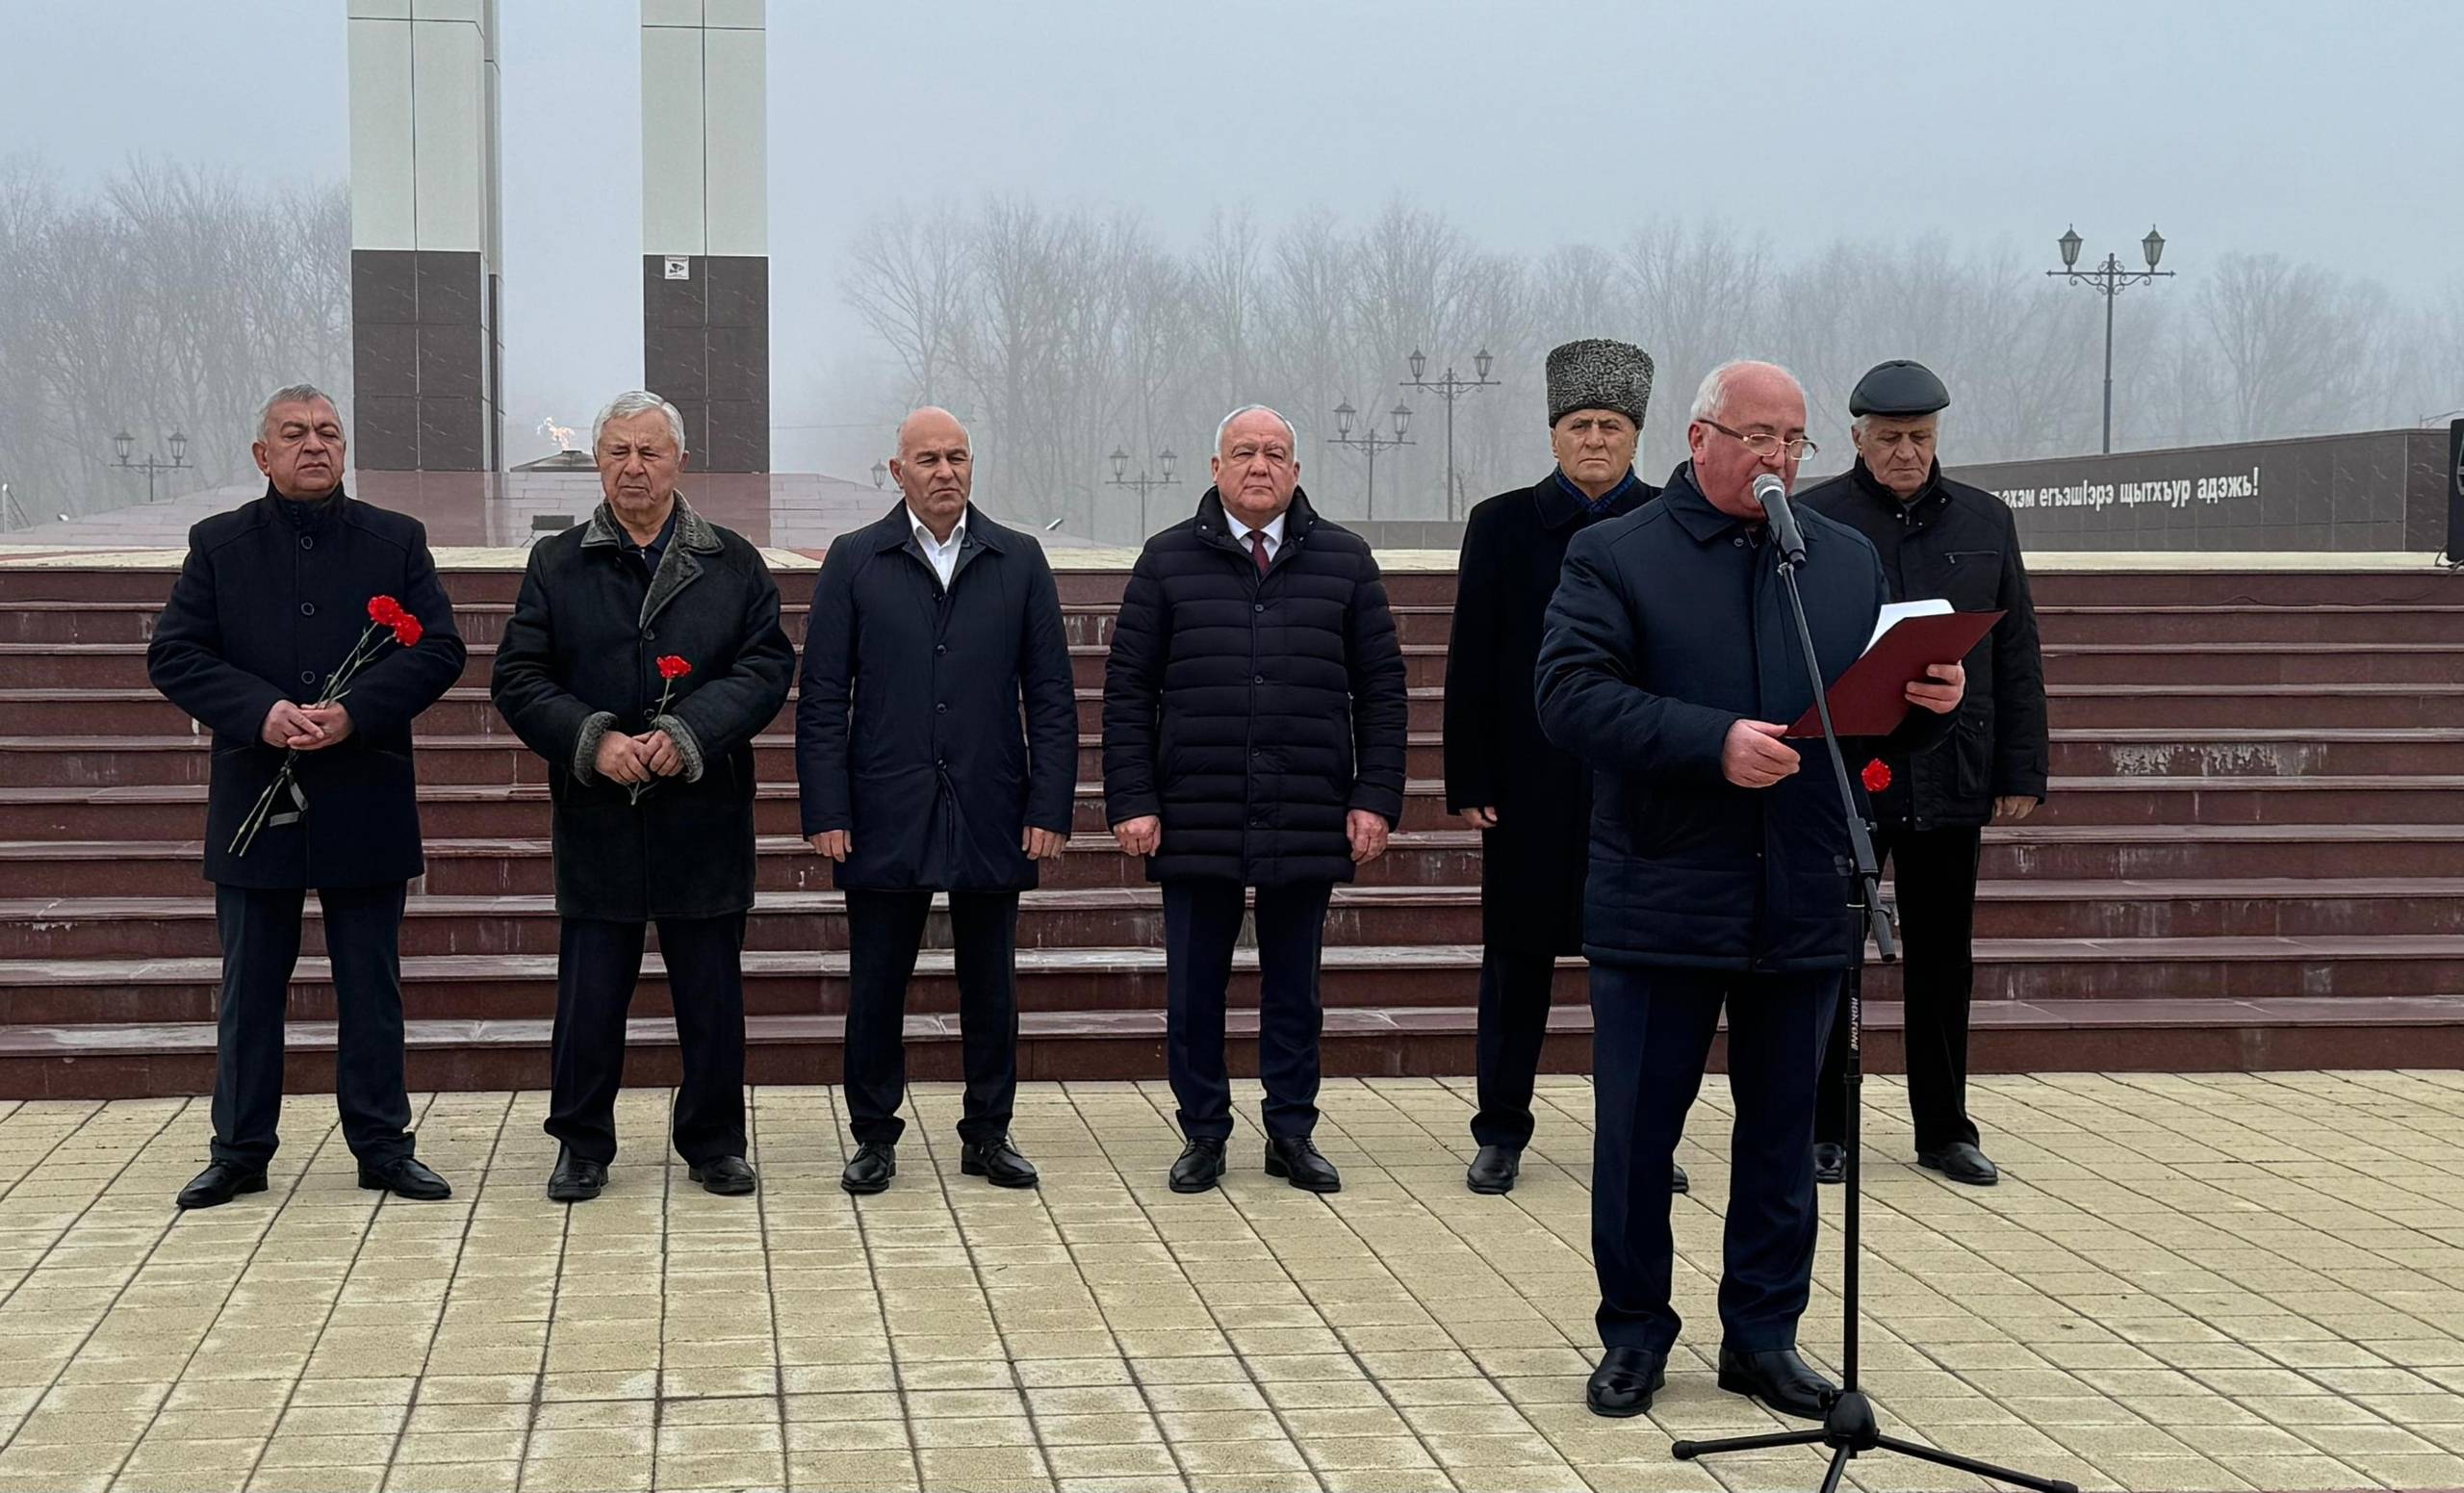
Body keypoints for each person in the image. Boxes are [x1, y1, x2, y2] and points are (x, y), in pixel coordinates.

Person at [1535, 360, 1966, 1420]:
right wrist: (1707, 743)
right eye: (1757, 436)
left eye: (1793, 441)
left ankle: (1762, 1339)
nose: (1777, 459)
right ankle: (1634, 1335)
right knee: (1639, 1137)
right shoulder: (1613, 554)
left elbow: (1856, 728)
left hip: (1804, 892)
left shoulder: (1840, 559)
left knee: (1782, 1141)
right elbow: (1569, 698)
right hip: (1661, 891)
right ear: (1699, 438)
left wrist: (1926, 705)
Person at [147, 383, 465, 1209]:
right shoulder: (217, 546)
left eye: (327, 431)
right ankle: (240, 1150)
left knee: (371, 981)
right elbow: (175, 655)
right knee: (251, 983)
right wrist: (263, 712)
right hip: (257, 797)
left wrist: (355, 712)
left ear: (344, 448)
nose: (313, 444)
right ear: (263, 455)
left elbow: (439, 651)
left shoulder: (396, 541)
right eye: (294, 433)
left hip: (364, 790)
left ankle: (382, 1144)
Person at [491, 390, 795, 1203]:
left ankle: (714, 1141)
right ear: (597, 461)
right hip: (598, 818)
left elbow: (766, 668)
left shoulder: (731, 560)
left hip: (704, 812)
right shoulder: (558, 562)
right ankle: (580, 1142)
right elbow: (518, 677)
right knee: (589, 998)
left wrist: (689, 732)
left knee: (711, 995)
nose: (634, 466)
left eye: (650, 451)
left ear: (680, 462)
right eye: (619, 451)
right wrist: (595, 739)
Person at [1102, 405, 1409, 1196]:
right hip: (1194, 805)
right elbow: (1129, 690)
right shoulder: (1167, 559)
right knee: (1193, 986)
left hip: (1307, 804)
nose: (1260, 465)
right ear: (1216, 469)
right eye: (1244, 452)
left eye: (1276, 453)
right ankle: (1203, 1133)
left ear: (1297, 473)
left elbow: (1382, 691)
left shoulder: (1345, 559)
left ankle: (1291, 1131)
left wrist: (1374, 796)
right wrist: (1133, 798)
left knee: (1295, 987)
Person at [796, 407, 1075, 1195]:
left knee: (991, 984)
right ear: (897, 472)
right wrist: (826, 808)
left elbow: (1050, 694)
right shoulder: (856, 560)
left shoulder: (1018, 559)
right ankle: (875, 1136)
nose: (944, 471)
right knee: (877, 982)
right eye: (927, 459)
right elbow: (822, 696)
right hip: (885, 803)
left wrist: (1050, 805)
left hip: (993, 802)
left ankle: (988, 1131)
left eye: (957, 457)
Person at [1799, 359, 2048, 1188]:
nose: (1908, 453)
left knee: (1945, 953)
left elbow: (2015, 652)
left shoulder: (1984, 518)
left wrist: (2022, 766)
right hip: (1845, 766)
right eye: (1892, 438)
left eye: (1922, 438)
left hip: (1952, 766)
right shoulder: (1813, 518)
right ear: (1858, 438)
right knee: (1832, 949)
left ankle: (1944, 1126)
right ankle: (1824, 1125)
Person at [1445, 338, 1683, 1197]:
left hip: (1643, 785)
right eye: (1579, 424)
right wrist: (1468, 777)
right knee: (1516, 965)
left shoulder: (1672, 521)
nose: (1594, 440)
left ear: (1635, 436)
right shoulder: (1502, 524)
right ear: (1553, 435)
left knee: (1648, 975)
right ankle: (1501, 1129)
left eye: (1611, 425)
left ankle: (1644, 1136)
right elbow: (1472, 655)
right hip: (1530, 786)